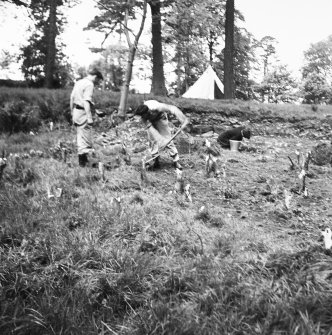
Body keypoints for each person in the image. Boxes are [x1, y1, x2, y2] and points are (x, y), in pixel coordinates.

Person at [135, 100, 189, 170]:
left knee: (168, 140)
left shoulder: (157, 107)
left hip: (160, 118)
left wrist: (183, 120)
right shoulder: (143, 118)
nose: (143, 118)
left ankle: (176, 161)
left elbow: (173, 108)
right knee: (153, 141)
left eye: (144, 116)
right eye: (142, 117)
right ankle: (156, 161)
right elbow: (153, 131)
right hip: (151, 121)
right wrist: (160, 141)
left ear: (148, 111)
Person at [70, 67, 104, 167]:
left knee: (80, 138)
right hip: (83, 113)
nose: (97, 82)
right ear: (95, 77)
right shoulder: (89, 84)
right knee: (87, 138)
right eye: (98, 80)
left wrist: (72, 113)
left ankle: (82, 163)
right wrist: (89, 117)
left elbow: (72, 98)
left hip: (76, 112)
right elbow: (86, 101)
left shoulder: (79, 82)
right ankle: (90, 163)